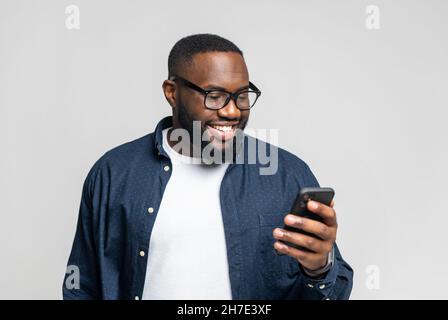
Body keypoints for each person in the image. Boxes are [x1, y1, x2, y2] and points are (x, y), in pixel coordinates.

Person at [63, 33, 353, 300]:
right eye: (214, 96)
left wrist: (319, 269)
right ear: (172, 92)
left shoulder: (286, 174)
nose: (231, 111)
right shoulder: (114, 173)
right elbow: (81, 286)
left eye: (241, 95)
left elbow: (336, 290)